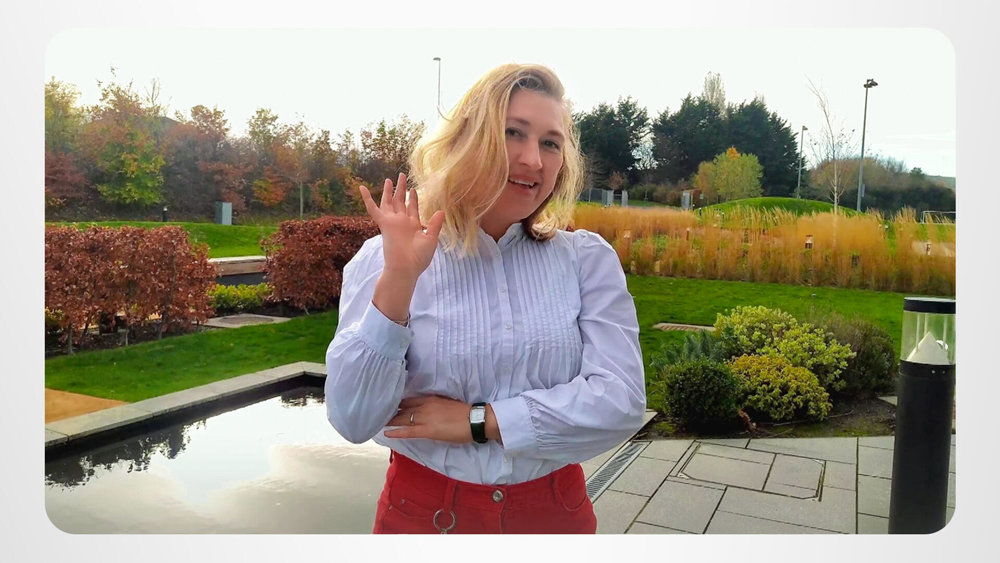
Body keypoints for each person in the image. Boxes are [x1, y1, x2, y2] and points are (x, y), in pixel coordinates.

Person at [325, 62, 645, 534]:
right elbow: (353, 419)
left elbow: (621, 402)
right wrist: (399, 281)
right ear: (469, 140)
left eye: (551, 143)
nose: (534, 160)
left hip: (554, 518)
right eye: (513, 133)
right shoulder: (386, 258)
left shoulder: (584, 261)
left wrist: (481, 421)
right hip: (423, 519)